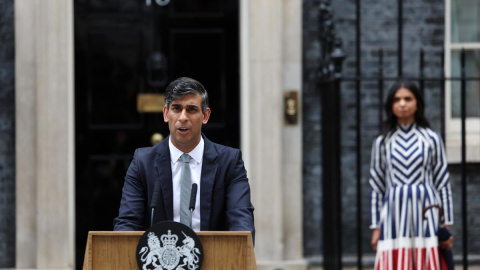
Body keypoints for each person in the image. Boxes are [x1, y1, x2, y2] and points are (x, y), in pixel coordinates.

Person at [114, 77, 255, 241]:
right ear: (166, 114)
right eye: (176, 108)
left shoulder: (229, 162)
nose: (183, 117)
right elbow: (127, 225)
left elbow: (242, 224)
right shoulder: (143, 162)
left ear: (205, 115)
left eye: (192, 109)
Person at [369, 81, 453, 270]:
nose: (402, 104)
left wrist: (446, 224)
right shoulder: (382, 141)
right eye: (397, 99)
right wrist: (376, 227)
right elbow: (376, 185)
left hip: (426, 212)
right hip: (393, 213)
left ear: (417, 103)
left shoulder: (431, 138)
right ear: (391, 105)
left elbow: (442, 182)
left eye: (408, 99)